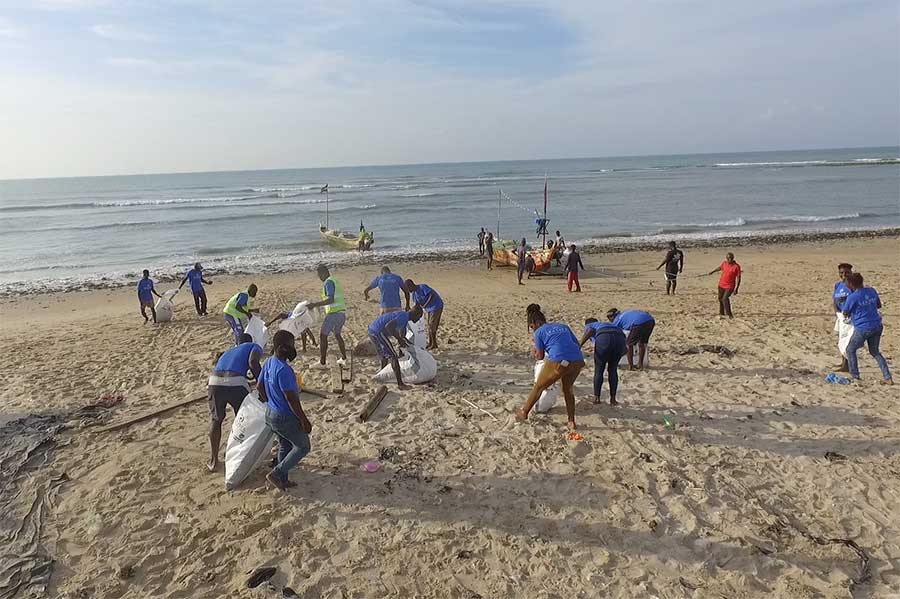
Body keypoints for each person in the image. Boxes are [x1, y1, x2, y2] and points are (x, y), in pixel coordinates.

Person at [257, 330, 312, 491]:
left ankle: (283, 479)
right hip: (284, 416)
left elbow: (260, 386)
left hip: (271, 414)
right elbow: (292, 399)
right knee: (303, 447)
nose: (293, 348)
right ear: (282, 347)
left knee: (285, 445)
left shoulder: (268, 362)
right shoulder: (284, 370)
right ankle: (277, 473)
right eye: (291, 345)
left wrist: (271, 402)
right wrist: (303, 419)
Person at [516, 305, 585, 430]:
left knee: (539, 386)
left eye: (532, 327)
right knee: (568, 390)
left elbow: (541, 356)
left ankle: (524, 412)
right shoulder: (563, 326)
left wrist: (535, 353)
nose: (532, 330)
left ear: (536, 323)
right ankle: (571, 421)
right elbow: (576, 343)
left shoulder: (539, 332)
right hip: (578, 360)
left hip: (558, 361)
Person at [206, 333, 262, 472]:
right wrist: (262, 382)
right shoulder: (254, 346)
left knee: (216, 420)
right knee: (242, 420)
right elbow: (253, 363)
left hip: (214, 382)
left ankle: (214, 460)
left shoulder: (229, 351)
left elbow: (227, 371)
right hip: (236, 382)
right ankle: (238, 455)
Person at [842, 273, 892, 384]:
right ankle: (888, 377)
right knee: (875, 352)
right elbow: (878, 305)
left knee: (850, 350)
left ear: (851, 284)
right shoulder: (871, 291)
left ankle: (855, 376)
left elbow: (845, 312)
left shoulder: (852, 297)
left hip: (863, 328)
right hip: (877, 325)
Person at [367, 306, 423, 390]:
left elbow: (402, 335)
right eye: (419, 317)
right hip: (378, 332)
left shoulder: (404, 317)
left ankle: (382, 373)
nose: (418, 320)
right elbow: (389, 327)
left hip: (372, 330)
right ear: (415, 314)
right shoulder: (403, 317)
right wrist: (399, 339)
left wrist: (405, 342)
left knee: (384, 354)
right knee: (393, 356)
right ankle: (400, 384)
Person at [306, 264, 348, 368]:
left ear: (323, 273)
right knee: (337, 335)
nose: (319, 278)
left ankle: (322, 362)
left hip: (333, 314)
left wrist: (314, 304)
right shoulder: (335, 280)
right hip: (341, 313)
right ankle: (343, 358)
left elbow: (330, 299)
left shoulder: (328, 282)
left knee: (323, 335)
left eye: (319, 275)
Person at [579, 318, 626, 405]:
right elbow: (625, 350)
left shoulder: (589, 325)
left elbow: (589, 331)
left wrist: (579, 346)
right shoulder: (609, 325)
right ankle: (613, 399)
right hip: (620, 338)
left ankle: (597, 398)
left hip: (604, 337)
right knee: (612, 370)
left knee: (599, 369)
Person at [405, 279, 443, 350]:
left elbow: (431, 295)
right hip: (429, 309)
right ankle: (431, 343)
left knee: (432, 326)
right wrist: (410, 311)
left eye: (408, 288)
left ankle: (434, 344)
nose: (408, 290)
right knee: (429, 325)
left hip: (436, 305)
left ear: (411, 285)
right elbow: (417, 305)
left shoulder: (422, 287)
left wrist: (425, 305)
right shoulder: (414, 294)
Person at [832, 263, 854, 372]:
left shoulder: (853, 286)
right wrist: (838, 314)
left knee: (847, 340)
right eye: (841, 273)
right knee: (841, 339)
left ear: (851, 273)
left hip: (850, 317)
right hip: (841, 316)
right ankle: (843, 362)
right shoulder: (837, 285)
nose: (844, 275)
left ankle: (848, 365)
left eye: (846, 272)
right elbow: (834, 301)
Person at [709, 252, 741, 318]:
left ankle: (729, 314)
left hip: (730, 286)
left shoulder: (736, 266)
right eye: (728, 258)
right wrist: (712, 271)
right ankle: (721, 313)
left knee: (725, 298)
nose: (729, 259)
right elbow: (719, 268)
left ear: (733, 258)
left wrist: (736, 288)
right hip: (721, 284)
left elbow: (738, 278)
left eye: (730, 258)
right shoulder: (724, 263)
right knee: (720, 298)